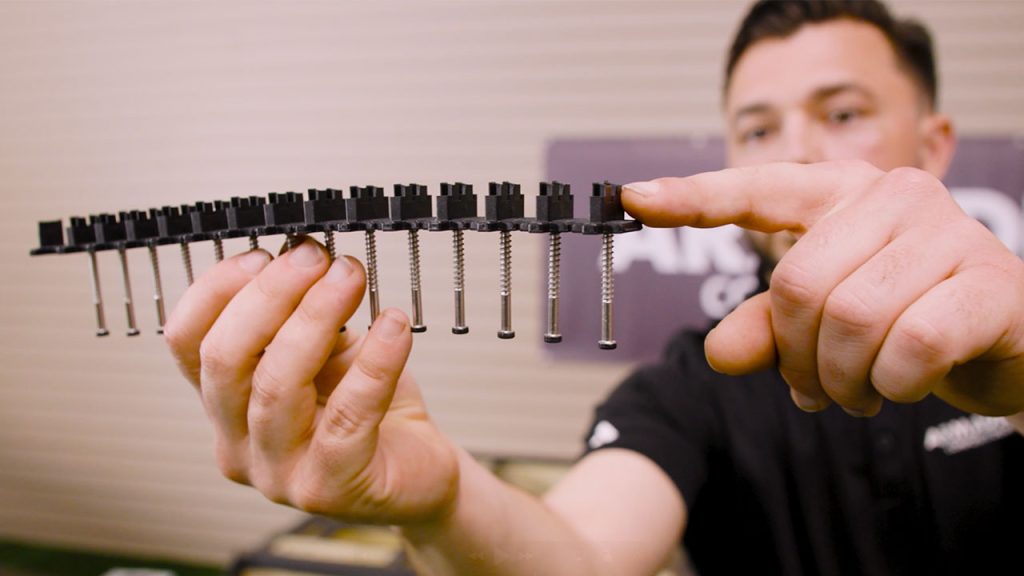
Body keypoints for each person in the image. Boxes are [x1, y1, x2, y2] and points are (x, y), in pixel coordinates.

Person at [164, 1, 1024, 574]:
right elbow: (579, 555)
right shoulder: (691, 390)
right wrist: (442, 500)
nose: (792, 150)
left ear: (935, 141)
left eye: (842, 113)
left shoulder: (1014, 328)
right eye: (756, 126)